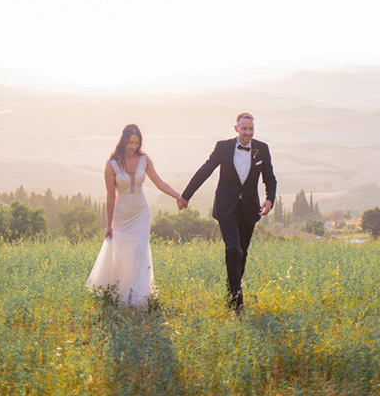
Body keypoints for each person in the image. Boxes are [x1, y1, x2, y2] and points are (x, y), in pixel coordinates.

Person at [177, 112, 276, 314]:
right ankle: (236, 303)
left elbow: (270, 177)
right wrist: (186, 196)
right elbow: (205, 170)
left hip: (249, 209)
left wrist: (269, 199)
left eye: (251, 129)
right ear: (236, 129)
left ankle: (231, 289)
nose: (248, 133)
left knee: (242, 254)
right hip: (226, 207)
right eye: (244, 129)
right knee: (233, 249)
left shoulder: (262, 149)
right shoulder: (223, 147)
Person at [86, 123, 182, 306]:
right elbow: (110, 196)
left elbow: (159, 182)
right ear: (123, 141)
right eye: (130, 142)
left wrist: (178, 196)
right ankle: (118, 292)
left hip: (141, 212)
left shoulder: (145, 160)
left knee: (139, 251)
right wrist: (108, 225)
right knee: (122, 253)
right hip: (121, 215)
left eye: (137, 143)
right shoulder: (111, 165)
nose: (133, 147)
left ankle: (139, 296)